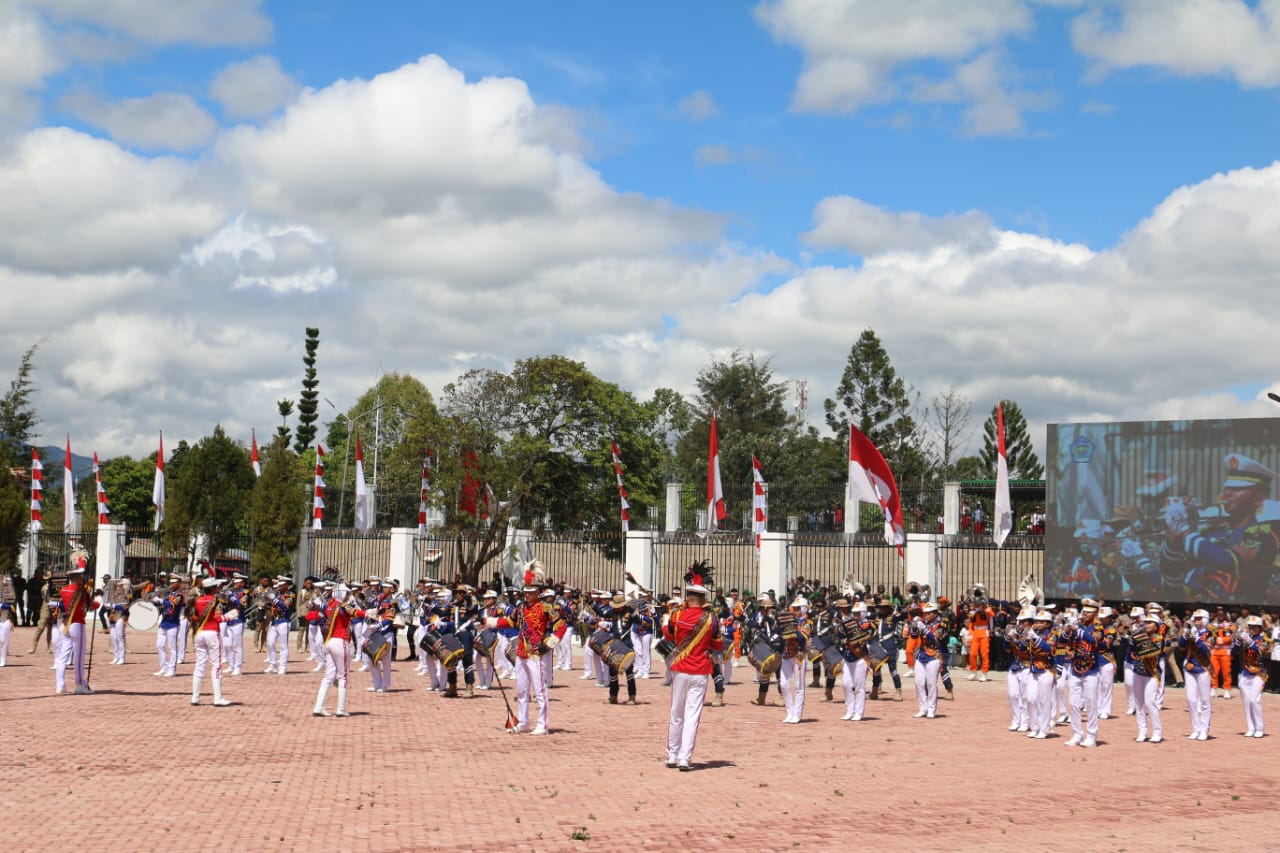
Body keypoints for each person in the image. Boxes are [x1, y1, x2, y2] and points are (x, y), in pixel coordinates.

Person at [1161, 454, 1280, 602]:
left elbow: (1227, 561)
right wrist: (1173, 538)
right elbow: (1172, 573)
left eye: (1237, 489)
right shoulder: (1212, 531)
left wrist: (1185, 530)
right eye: (1227, 488)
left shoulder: (1264, 532)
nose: (1227, 493)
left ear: (1257, 498)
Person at [663, 572, 723, 771]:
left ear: (688, 598)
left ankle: (671, 755)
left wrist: (665, 620)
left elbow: (669, 635)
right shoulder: (711, 619)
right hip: (700, 670)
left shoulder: (677, 615)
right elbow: (718, 644)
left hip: (680, 668)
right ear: (704, 599)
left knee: (676, 713)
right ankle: (684, 759)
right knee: (692, 716)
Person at [498, 561, 566, 735]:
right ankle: (523, 722)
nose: (526, 595)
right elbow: (510, 622)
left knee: (540, 690)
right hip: (521, 652)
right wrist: (488, 623)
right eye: (525, 593)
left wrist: (550, 643)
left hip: (536, 653)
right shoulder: (520, 608)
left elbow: (561, 626)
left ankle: (542, 724)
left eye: (530, 593)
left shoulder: (546, 607)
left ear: (537, 592)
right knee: (521, 690)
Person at [309, 582, 358, 717]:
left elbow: (325, 611)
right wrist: (366, 613)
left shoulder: (331, 606)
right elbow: (352, 612)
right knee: (344, 676)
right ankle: (341, 709)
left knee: (328, 676)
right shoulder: (341, 605)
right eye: (347, 593)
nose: (348, 596)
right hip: (340, 640)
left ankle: (318, 707)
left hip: (329, 642)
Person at [1062, 599, 1103, 748]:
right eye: (1083, 611)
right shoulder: (1076, 625)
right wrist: (1067, 629)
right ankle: (1076, 733)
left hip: (1091, 669)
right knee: (1073, 703)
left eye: (1088, 611)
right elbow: (1061, 641)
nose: (1084, 614)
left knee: (1091, 703)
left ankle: (1092, 735)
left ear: (1095, 613)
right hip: (1075, 668)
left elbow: (1094, 641)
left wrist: (1079, 631)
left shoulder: (1097, 627)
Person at [56, 567, 100, 695]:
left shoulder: (64, 590)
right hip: (77, 624)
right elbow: (92, 605)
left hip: (66, 625)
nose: (82, 578)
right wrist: (98, 601)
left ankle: (60, 685)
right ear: (76, 577)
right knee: (79, 656)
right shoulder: (81, 591)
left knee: (63, 656)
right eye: (80, 576)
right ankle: (79, 684)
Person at [190, 578, 231, 706]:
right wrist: (229, 616)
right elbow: (218, 618)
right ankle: (217, 698)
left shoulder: (197, 600)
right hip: (212, 632)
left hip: (199, 633)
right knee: (216, 665)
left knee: (199, 664)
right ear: (213, 588)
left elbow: (193, 617)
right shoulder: (216, 600)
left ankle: (195, 697)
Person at [1130, 614, 1167, 743]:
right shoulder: (1139, 635)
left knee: (1149, 702)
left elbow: (1150, 650)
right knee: (1139, 704)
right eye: (1145, 622)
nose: (1146, 624)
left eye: (1150, 622)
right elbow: (1133, 650)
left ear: (1157, 626)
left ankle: (1157, 731)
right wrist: (1134, 635)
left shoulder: (1159, 638)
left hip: (1152, 673)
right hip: (1138, 671)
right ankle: (1142, 731)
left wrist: (1138, 636)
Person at [837, 601, 874, 722]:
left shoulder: (869, 624)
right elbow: (840, 637)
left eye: (858, 613)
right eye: (854, 613)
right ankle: (849, 710)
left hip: (861, 657)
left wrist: (850, 629)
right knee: (846, 684)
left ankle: (859, 712)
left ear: (863, 613)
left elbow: (863, 636)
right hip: (848, 657)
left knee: (859, 686)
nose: (856, 615)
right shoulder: (849, 623)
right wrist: (841, 628)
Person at [1179, 609, 1213, 740]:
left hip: (1203, 667)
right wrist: (1185, 634)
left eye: (1199, 619)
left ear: (1205, 620)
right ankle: (1196, 728)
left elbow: (1207, 650)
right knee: (1190, 699)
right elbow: (1181, 647)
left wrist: (1197, 638)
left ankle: (1204, 729)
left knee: (1205, 700)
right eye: (1195, 619)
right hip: (1189, 666)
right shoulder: (1191, 630)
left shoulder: (1210, 633)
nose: (1197, 621)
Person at [1237, 615, 1271, 738]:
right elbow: (1235, 650)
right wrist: (1238, 639)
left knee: (1254, 700)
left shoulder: (1265, 638)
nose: (1251, 629)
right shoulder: (1247, 637)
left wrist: (1250, 641)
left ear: (1260, 628)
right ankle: (1251, 727)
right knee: (1246, 701)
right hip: (1245, 672)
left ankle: (1260, 728)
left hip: (1259, 673)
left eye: (1254, 627)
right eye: (1250, 626)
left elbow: (1260, 652)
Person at [910, 603, 944, 719]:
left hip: (934, 655)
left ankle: (931, 709)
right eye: (925, 613)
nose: (926, 615)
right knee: (919, 682)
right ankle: (922, 708)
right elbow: (914, 636)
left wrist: (924, 629)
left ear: (935, 613)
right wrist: (914, 627)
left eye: (929, 613)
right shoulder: (923, 623)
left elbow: (935, 640)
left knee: (931, 683)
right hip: (922, 655)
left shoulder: (941, 624)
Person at [154, 574, 184, 677]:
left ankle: (172, 670)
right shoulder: (168, 594)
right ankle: (163, 667)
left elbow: (173, 604)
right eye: (170, 582)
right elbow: (162, 604)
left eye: (173, 582)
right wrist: (153, 600)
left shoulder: (180, 595)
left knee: (172, 648)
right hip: (164, 622)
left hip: (173, 623)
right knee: (159, 645)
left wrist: (161, 600)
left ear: (179, 583)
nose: (171, 584)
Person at [264, 577, 294, 675]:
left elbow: (286, 606)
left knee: (283, 645)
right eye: (279, 585)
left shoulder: (290, 594)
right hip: (274, 621)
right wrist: (266, 600)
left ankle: (283, 667)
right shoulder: (276, 594)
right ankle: (273, 665)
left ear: (286, 585)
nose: (279, 587)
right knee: (270, 643)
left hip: (284, 621)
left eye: (281, 585)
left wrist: (275, 600)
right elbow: (269, 605)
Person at [221, 574, 249, 675]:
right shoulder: (229, 591)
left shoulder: (245, 592)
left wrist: (231, 596)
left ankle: (238, 668)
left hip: (238, 620)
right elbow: (222, 602)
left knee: (237, 646)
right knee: (227, 644)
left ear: (242, 583)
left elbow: (241, 603)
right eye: (235, 581)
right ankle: (231, 665)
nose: (235, 583)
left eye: (238, 582)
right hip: (229, 620)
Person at [0, 600, 14, 665]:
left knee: (4, 641)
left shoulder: (6, 600)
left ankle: (3, 660)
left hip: (5, 621)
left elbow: (11, 608)